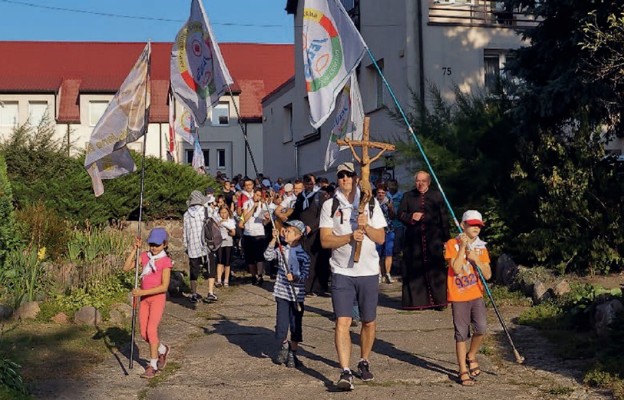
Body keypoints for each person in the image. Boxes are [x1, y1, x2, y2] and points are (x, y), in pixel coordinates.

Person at [319, 162, 386, 391]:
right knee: (343, 322)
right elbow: (325, 240)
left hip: (368, 271)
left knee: (368, 321)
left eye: (349, 175)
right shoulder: (330, 205)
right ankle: (345, 370)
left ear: (356, 177)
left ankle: (364, 360)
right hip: (342, 272)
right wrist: (349, 237)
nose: (345, 179)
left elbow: (381, 239)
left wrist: (365, 228)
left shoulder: (371, 203)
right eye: (341, 176)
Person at [444, 210, 492, 386]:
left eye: (478, 225)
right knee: (461, 333)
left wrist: (476, 260)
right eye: (472, 224)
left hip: (476, 294)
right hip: (458, 296)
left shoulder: (481, 247)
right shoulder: (451, 244)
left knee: (481, 328)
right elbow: (456, 269)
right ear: (463, 225)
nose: (476, 228)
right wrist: (463, 248)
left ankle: (471, 354)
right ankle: (462, 369)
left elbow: (487, 275)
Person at [123, 227, 172, 379]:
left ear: (164, 244)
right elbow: (126, 268)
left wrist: (141, 292)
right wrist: (134, 250)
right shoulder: (144, 256)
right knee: (144, 334)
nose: (153, 248)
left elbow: (164, 287)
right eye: (151, 244)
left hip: (157, 298)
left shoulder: (165, 262)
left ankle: (153, 365)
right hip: (144, 300)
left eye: (157, 245)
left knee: (151, 330)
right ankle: (162, 349)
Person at [398, 171, 450, 310]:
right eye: (418, 181)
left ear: (429, 182)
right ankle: (417, 303)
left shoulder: (437, 196)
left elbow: (444, 217)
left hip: (434, 240)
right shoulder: (408, 196)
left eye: (423, 181)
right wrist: (411, 216)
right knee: (415, 270)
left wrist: (446, 238)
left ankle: (439, 302)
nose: (420, 184)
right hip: (414, 241)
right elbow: (400, 214)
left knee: (436, 270)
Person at [264, 220, 310, 368]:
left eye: (289, 231)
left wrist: (297, 278)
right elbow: (268, 256)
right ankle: (284, 345)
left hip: (297, 295)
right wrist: (273, 239)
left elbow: (305, 275)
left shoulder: (304, 255)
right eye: (285, 230)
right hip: (282, 294)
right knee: (281, 326)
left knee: (296, 326)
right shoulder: (281, 249)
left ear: (297, 236)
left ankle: (293, 353)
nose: (285, 232)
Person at [291, 174, 330, 296]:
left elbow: (322, 216)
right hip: (303, 234)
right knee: (306, 259)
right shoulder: (300, 198)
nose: (309, 185)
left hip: (316, 232)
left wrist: (311, 227)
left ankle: (319, 287)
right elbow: (296, 213)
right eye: (307, 183)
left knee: (318, 260)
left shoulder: (320, 196)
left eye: (311, 183)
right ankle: (306, 286)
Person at [183, 190, 215, 304]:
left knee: (194, 270)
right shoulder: (207, 211)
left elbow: (185, 232)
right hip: (206, 244)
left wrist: (186, 245)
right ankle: (210, 292)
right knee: (211, 267)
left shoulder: (186, 214)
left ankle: (193, 293)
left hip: (192, 245)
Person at [240, 188, 270, 285]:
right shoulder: (247, 203)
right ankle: (253, 276)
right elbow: (245, 218)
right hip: (248, 232)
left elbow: (265, 222)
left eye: (260, 196)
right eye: (257, 195)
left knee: (260, 256)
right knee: (250, 257)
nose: (258, 197)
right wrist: (253, 207)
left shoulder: (264, 205)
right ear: (254, 194)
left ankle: (260, 275)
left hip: (259, 233)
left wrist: (267, 219)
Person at [374, 184, 395, 284]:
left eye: (383, 193)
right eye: (379, 193)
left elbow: (392, 216)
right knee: (377, 253)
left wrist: (391, 208)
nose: (381, 194)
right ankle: (378, 274)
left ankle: (387, 273)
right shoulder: (373, 202)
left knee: (388, 252)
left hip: (388, 229)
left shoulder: (389, 201)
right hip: (377, 229)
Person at [216, 206, 236, 287]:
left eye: (225, 212)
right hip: (220, 242)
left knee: (227, 262)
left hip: (228, 242)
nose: (223, 214)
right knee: (220, 261)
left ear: (228, 213)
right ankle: (219, 279)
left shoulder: (231, 221)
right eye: (221, 213)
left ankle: (226, 280)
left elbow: (233, 233)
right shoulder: (218, 220)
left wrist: (228, 231)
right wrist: (220, 222)